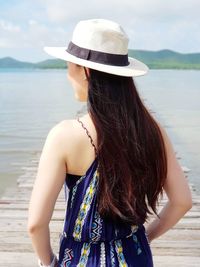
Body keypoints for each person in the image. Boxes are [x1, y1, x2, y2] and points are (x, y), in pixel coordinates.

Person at [27, 18, 193, 267]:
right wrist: (143, 237)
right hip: (135, 256)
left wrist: (48, 262)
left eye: (69, 66)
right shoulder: (151, 129)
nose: (67, 74)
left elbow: (36, 224)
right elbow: (182, 201)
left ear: (86, 71)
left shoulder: (64, 135)